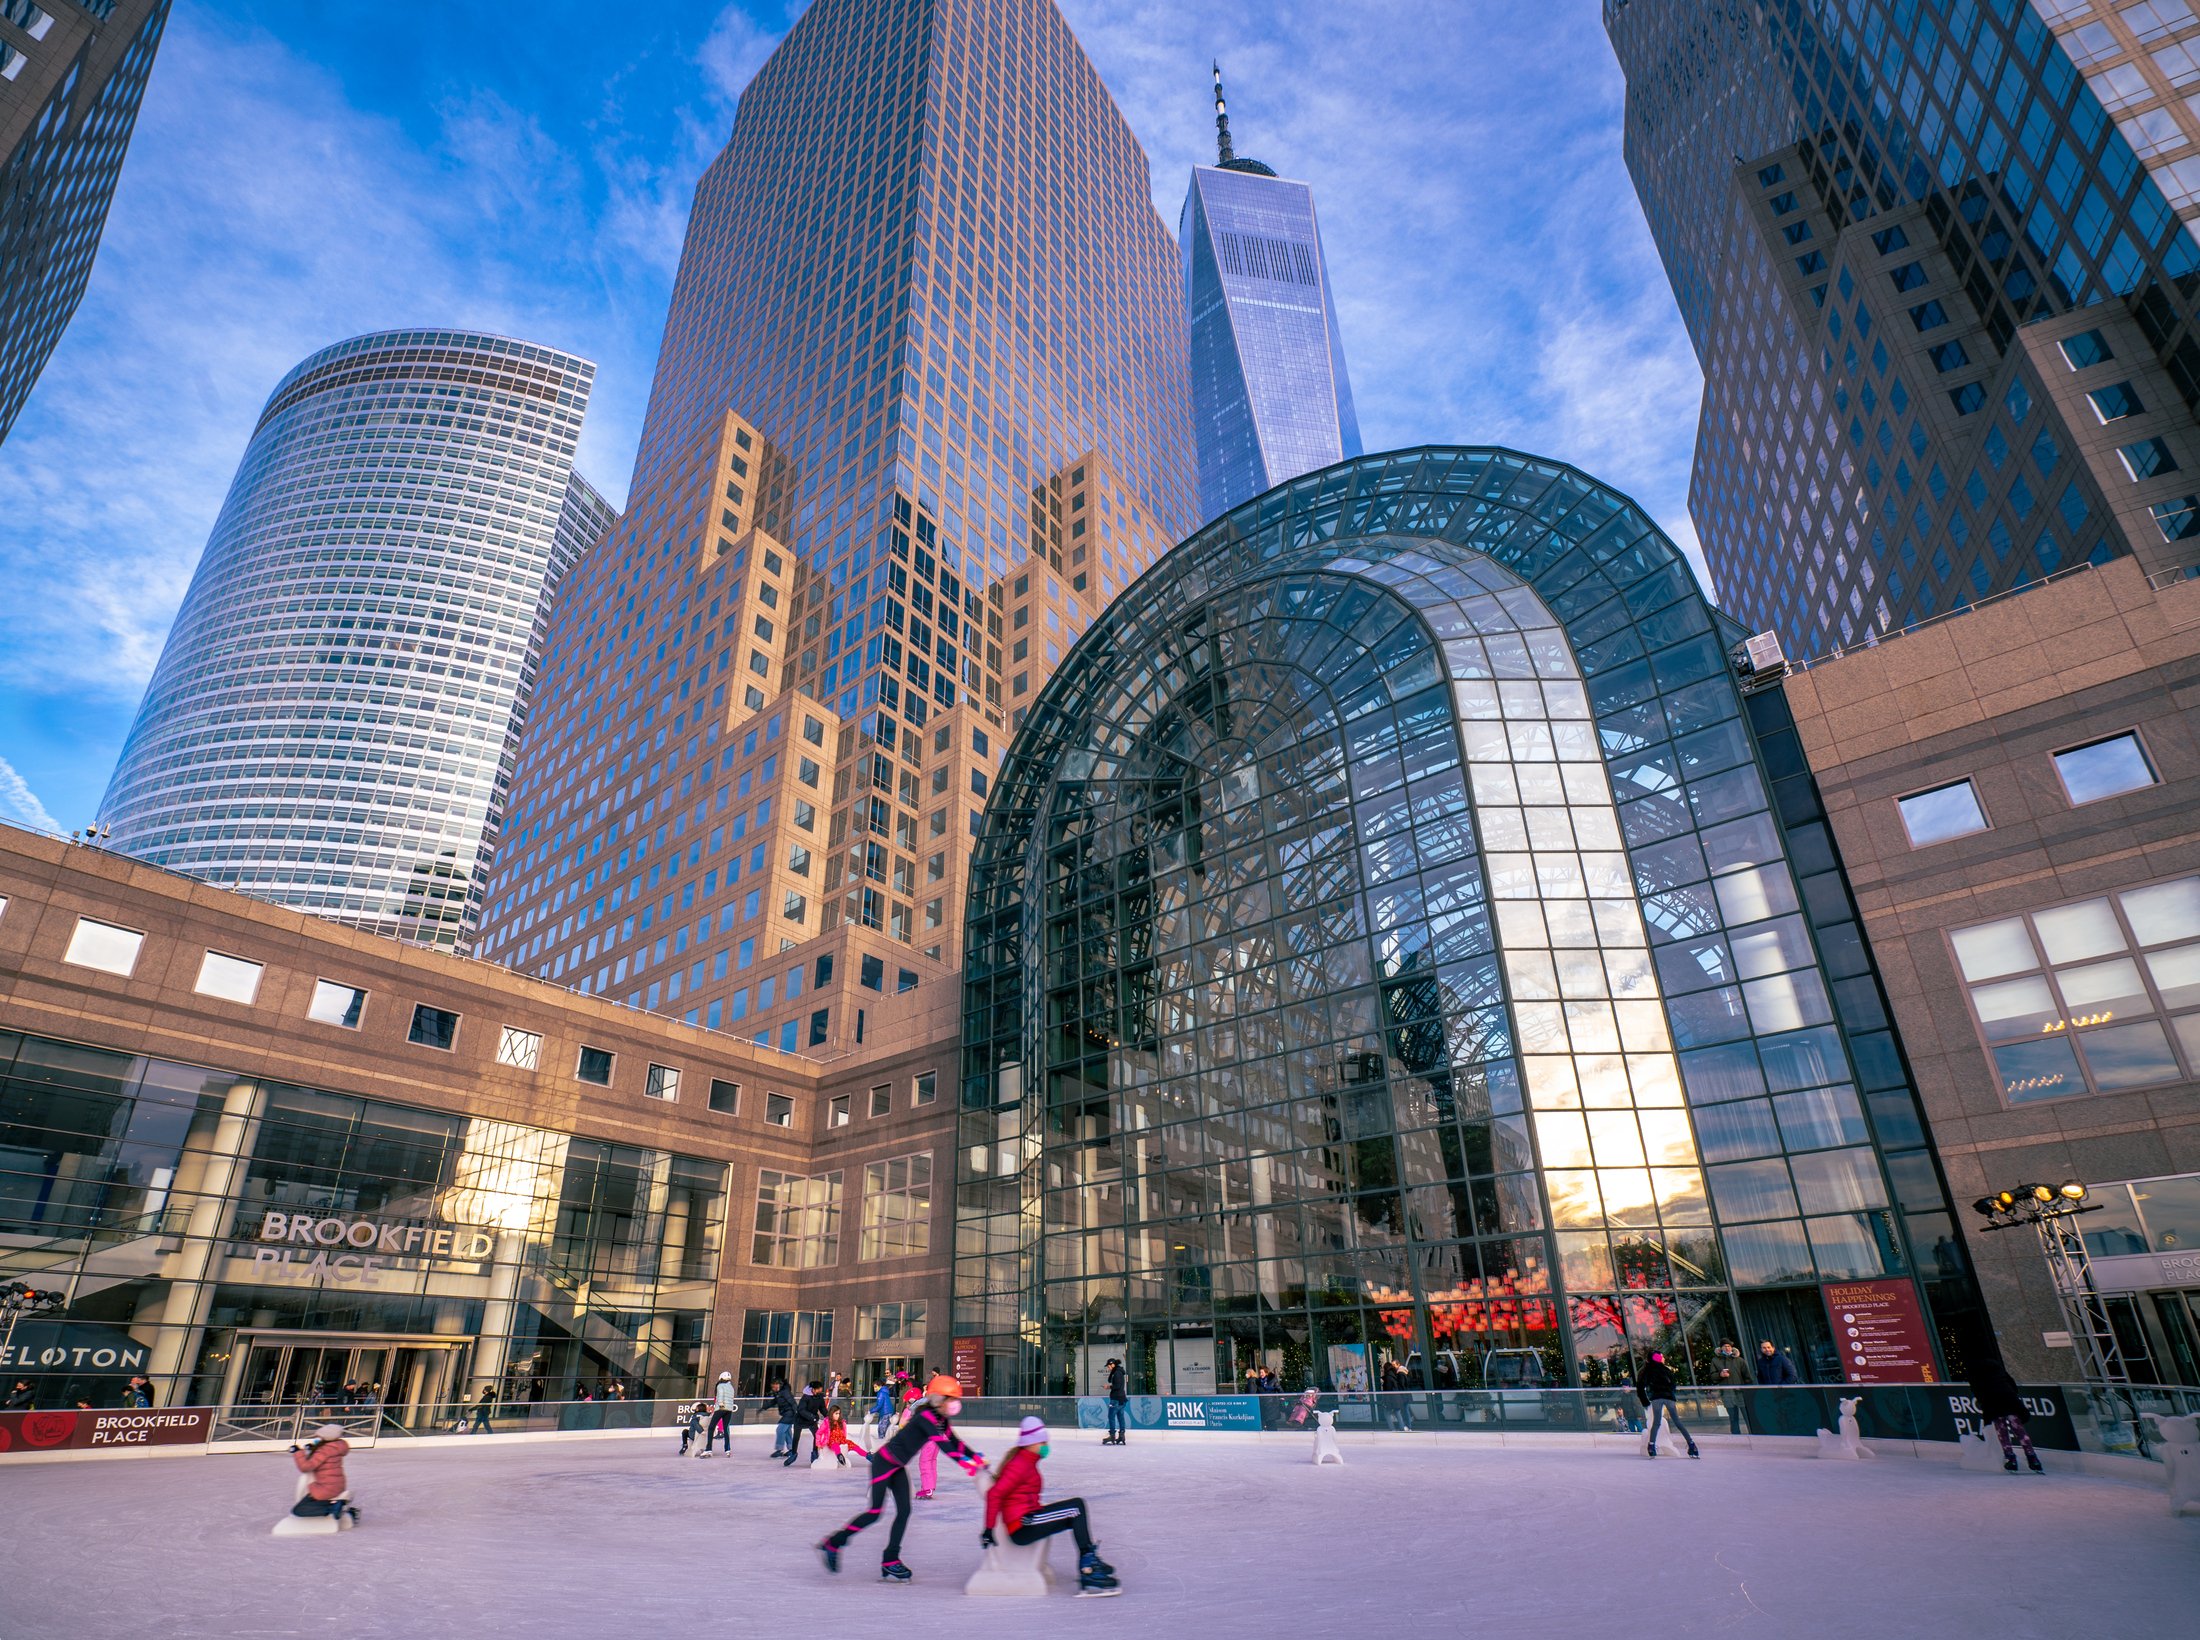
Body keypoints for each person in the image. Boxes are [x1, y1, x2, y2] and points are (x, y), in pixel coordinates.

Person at [817, 1373, 986, 1582]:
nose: (955, 1404)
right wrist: (966, 1463)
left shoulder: (941, 1419)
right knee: (875, 1512)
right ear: (939, 1399)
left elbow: (955, 1443)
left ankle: (890, 1560)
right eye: (952, 1399)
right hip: (884, 1464)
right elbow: (943, 1445)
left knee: (904, 1511)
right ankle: (833, 1543)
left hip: (896, 1467)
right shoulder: (927, 1418)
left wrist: (975, 1458)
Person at [982, 1417, 1118, 1597]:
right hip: (1023, 1526)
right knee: (1076, 1508)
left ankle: (1089, 1563)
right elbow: (995, 1494)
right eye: (1042, 1441)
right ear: (1030, 1442)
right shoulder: (1019, 1465)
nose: (1046, 1445)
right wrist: (988, 1530)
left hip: (1030, 1517)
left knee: (1074, 1511)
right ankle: (1089, 1567)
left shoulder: (1027, 1460)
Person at [1971, 1357, 2043, 1474]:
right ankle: (2032, 1458)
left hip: (1994, 1403)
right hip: (2009, 1401)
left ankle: (2010, 1458)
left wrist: (1984, 1403)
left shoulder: (1978, 1374)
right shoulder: (2000, 1371)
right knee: (2018, 1429)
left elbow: (1978, 1391)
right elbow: (2012, 1385)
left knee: (2002, 1431)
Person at [1636, 1350, 1699, 1459]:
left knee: (1656, 1422)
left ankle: (1651, 1446)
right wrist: (1670, 1393)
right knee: (1677, 1421)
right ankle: (1691, 1444)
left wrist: (1645, 1401)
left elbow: (1640, 1387)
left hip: (1656, 1398)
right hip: (1669, 1398)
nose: (1663, 1358)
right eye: (1662, 1357)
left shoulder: (1647, 1371)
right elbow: (1673, 1384)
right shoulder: (1666, 1370)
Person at [289, 1423, 357, 1523]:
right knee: (311, 1502)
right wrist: (313, 1448)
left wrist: (297, 1452)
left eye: (320, 1437)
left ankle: (333, 1509)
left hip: (326, 1488)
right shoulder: (337, 1446)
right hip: (338, 1485)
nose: (318, 1439)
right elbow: (325, 1458)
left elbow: (306, 1467)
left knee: (299, 1510)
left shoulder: (324, 1450)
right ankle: (339, 1506)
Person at [785, 1380, 829, 1467]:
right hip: (800, 1420)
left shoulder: (820, 1397)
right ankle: (793, 1453)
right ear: (813, 1389)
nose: (820, 1390)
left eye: (821, 1389)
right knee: (796, 1437)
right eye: (819, 1389)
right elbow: (801, 1410)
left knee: (817, 1436)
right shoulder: (806, 1397)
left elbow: (822, 1408)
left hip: (811, 1421)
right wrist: (812, 1417)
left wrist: (828, 1416)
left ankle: (814, 1452)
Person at [1713, 1339, 1746, 1434]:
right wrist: (1720, 1375)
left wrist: (1747, 1390)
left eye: (1729, 1346)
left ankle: (1754, 1434)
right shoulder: (1715, 1360)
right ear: (1721, 1348)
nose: (1727, 1348)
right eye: (1724, 1346)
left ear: (1732, 1347)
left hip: (1740, 1392)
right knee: (1733, 1417)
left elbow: (1747, 1377)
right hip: (1727, 1393)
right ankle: (1736, 1436)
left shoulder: (1739, 1360)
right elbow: (1712, 1376)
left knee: (1747, 1415)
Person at [701, 1370, 736, 1458]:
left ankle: (708, 1449)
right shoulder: (731, 1387)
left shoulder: (720, 1385)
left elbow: (719, 1396)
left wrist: (720, 1404)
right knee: (726, 1429)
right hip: (729, 1409)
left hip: (721, 1408)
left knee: (711, 1427)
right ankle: (727, 1449)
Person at [769, 1378, 797, 1458]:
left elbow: (793, 1402)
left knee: (780, 1430)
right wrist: (763, 1407)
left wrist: (797, 1412)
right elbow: (773, 1402)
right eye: (772, 1387)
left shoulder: (785, 1392)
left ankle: (779, 1450)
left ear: (778, 1385)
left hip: (790, 1414)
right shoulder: (779, 1393)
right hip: (787, 1414)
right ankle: (792, 1450)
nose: (773, 1389)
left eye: (774, 1387)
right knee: (787, 1431)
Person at [1102, 1357, 1127, 1446]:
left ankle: (1112, 1435)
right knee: (1120, 1417)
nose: (1108, 1368)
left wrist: (1108, 1387)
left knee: (1111, 1416)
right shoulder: (1118, 1372)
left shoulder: (1117, 1373)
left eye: (1109, 1366)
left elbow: (1117, 1386)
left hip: (1116, 1399)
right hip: (1121, 1399)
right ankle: (1121, 1435)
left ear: (1112, 1365)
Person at [871, 1377, 898, 1442]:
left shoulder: (881, 1393)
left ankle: (882, 1442)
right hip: (888, 1411)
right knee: (886, 1428)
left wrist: (871, 1411)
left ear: (880, 1386)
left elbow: (879, 1405)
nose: (874, 1388)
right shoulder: (883, 1392)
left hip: (885, 1412)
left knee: (881, 1429)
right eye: (874, 1387)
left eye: (876, 1386)